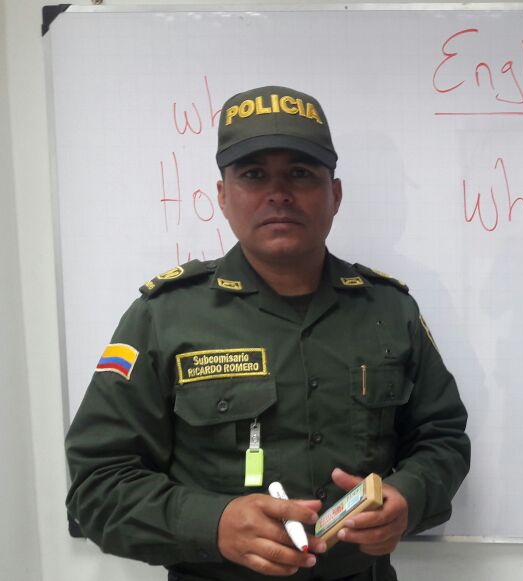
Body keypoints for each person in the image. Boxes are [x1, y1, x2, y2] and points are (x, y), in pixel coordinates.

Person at [65, 85, 471, 581]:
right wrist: (213, 524)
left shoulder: (390, 309)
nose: (278, 193)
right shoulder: (162, 317)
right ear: (222, 196)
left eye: (300, 173)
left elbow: (443, 438)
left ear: (335, 195)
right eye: (254, 175)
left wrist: (409, 494)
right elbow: (97, 485)